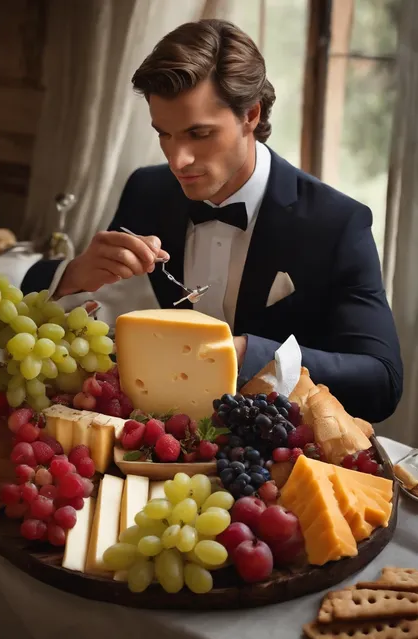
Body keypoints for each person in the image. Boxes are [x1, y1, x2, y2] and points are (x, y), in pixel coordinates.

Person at [22, 19, 402, 423]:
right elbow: (71, 315)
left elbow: (381, 382)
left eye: (198, 134)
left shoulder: (338, 223)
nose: (177, 160)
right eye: (164, 134)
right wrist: (73, 275)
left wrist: (246, 354)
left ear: (250, 114)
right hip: (157, 445)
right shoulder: (146, 189)